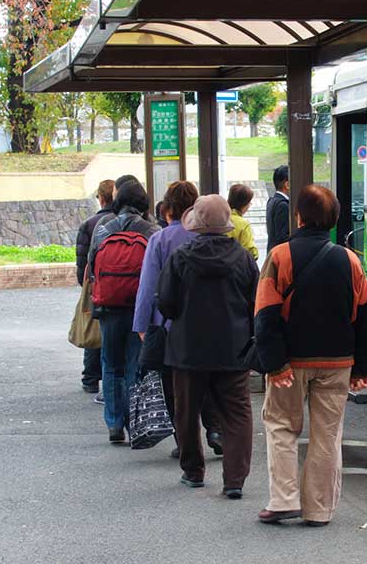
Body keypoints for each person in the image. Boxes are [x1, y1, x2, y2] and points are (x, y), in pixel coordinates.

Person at [254, 185, 367, 526]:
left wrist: (274, 364)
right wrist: (364, 367)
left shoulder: (280, 256)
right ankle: (319, 510)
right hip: (338, 363)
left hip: (290, 362)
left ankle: (283, 500)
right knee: (327, 434)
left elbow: (265, 315)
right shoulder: (350, 260)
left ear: (299, 217)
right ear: (333, 220)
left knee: (281, 425)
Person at [157, 194, 259, 498]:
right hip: (233, 348)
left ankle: (193, 471)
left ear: (196, 225)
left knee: (186, 411)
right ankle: (235, 480)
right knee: (238, 412)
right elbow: (255, 303)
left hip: (188, 349)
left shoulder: (180, 257)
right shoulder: (243, 258)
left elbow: (166, 303)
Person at [133, 181, 223, 458]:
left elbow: (148, 285)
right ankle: (215, 428)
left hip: (170, 324)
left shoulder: (160, 240)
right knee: (207, 377)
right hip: (211, 321)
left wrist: (142, 325)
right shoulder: (208, 237)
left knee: (174, 384)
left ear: (168, 208)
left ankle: (184, 439)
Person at [89, 181, 159, 443]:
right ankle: (133, 423)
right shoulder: (152, 231)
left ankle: (113, 424)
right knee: (133, 365)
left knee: (110, 364)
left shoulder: (103, 229)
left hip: (108, 307)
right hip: (138, 309)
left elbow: (93, 266)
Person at [74, 179, 114, 397]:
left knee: (92, 329)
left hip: (94, 284)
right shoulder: (123, 222)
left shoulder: (89, 224)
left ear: (100, 198)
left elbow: (83, 259)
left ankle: (90, 378)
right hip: (118, 287)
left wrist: (86, 284)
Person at [227, 183, 258, 260]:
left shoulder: (220, 218)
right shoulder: (243, 224)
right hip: (237, 266)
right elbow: (251, 251)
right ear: (243, 204)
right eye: (249, 203)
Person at [265, 165, 290, 255]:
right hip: (280, 256)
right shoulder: (283, 205)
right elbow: (283, 237)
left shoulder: (271, 201)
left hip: (272, 252)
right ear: (287, 185)